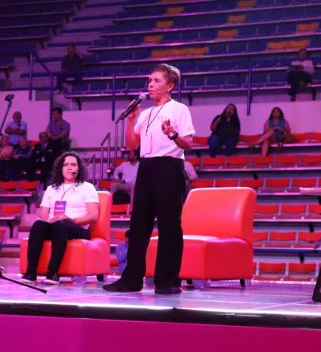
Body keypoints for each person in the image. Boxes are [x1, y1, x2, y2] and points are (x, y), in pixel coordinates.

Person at [103, 63, 195, 295]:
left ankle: (167, 281)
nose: (150, 84)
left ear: (170, 86)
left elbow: (188, 143)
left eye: (156, 81)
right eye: (150, 80)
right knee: (138, 225)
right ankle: (131, 279)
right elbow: (132, 145)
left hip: (169, 166)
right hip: (147, 166)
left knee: (169, 225)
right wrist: (131, 120)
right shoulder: (144, 113)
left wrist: (172, 134)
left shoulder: (179, 109)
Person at [21, 151, 99, 284]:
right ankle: (30, 273)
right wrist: (49, 220)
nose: (69, 167)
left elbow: (93, 216)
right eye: (65, 165)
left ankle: (53, 273)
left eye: (73, 165)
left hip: (78, 228)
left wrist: (71, 219)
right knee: (38, 225)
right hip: (56, 226)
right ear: (60, 168)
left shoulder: (87, 187)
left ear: (79, 168)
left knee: (61, 224)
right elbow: (43, 213)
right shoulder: (51, 188)